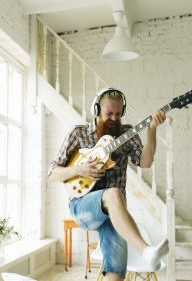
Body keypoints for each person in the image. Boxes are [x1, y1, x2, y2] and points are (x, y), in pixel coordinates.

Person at [47, 87, 169, 281]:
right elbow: (52, 173)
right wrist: (78, 170)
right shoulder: (79, 134)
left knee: (116, 272)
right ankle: (146, 252)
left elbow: (145, 163)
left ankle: (144, 255)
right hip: (82, 206)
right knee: (113, 193)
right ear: (96, 110)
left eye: (118, 114)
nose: (113, 118)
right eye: (108, 114)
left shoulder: (127, 134)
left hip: (114, 212)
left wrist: (152, 130)